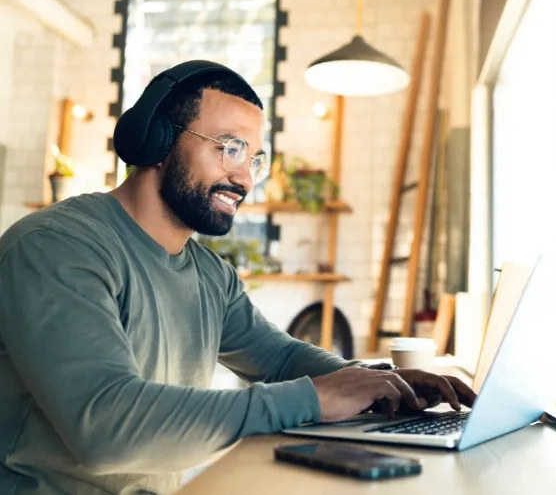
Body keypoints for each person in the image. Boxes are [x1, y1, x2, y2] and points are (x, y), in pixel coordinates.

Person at [0, 60, 476, 495]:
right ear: (158, 141)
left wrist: (378, 382)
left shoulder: (209, 273)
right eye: (230, 149)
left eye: (254, 160)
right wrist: (314, 398)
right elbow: (105, 429)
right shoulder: (56, 247)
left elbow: (281, 357)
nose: (245, 178)